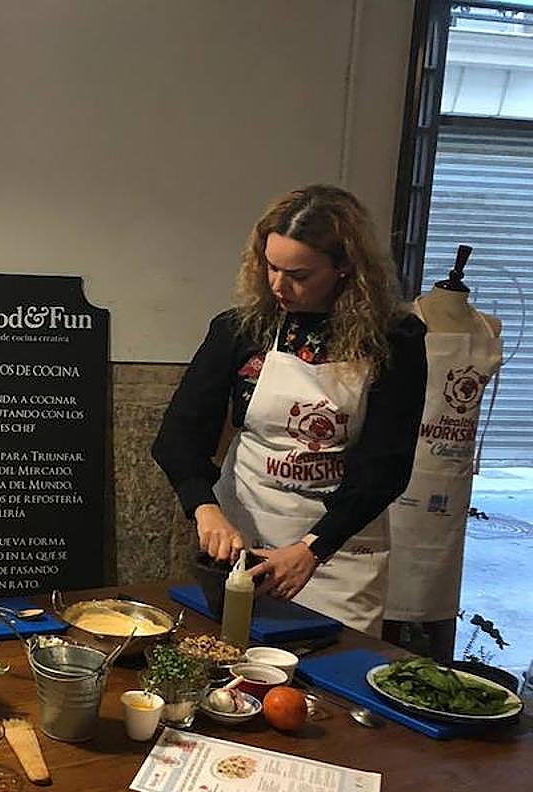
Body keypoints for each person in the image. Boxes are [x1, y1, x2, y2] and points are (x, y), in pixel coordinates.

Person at [152, 185, 427, 636]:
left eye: (299, 274)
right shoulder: (242, 330)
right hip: (244, 544)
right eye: (270, 266)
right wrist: (204, 508)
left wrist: (314, 548)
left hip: (340, 552)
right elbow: (178, 437)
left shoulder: (395, 341)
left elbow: (386, 466)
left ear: (345, 268)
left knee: (331, 684)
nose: (278, 285)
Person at [383, 263, 502, 661]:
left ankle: (434, 658)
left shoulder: (490, 328)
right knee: (390, 579)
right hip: (404, 471)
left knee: (437, 583)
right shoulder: (403, 322)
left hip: (451, 479)